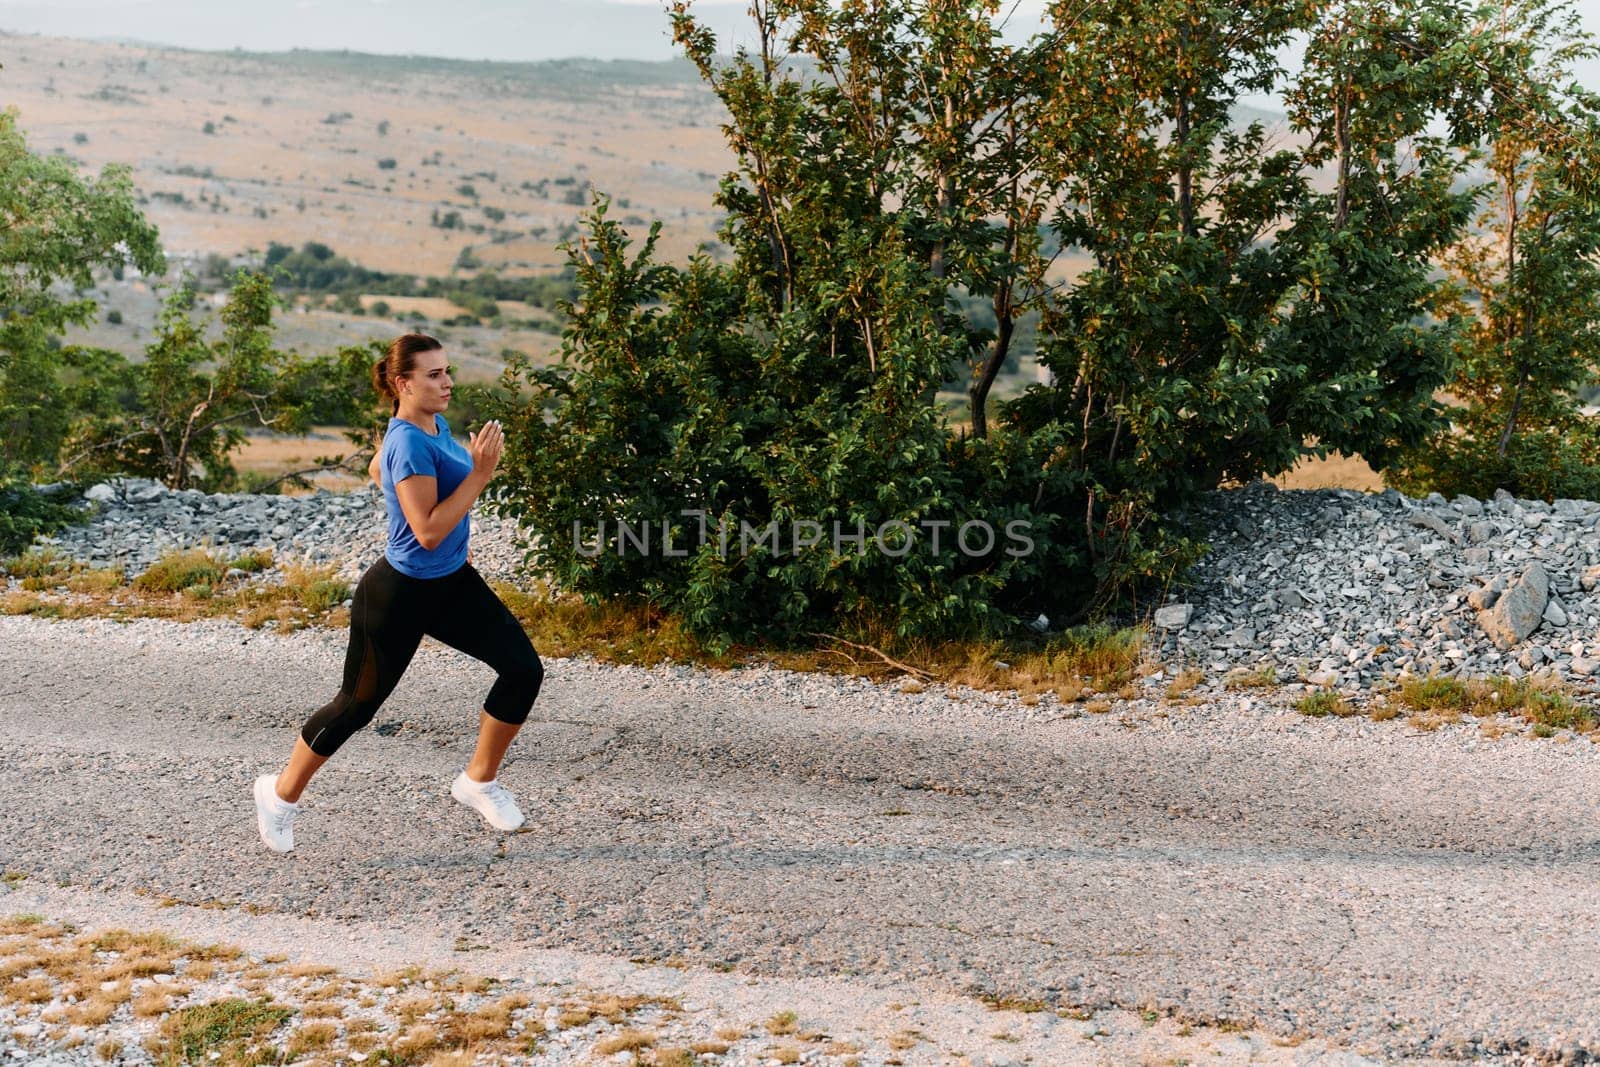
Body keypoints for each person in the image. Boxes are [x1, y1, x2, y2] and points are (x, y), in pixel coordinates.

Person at [253, 333, 544, 853]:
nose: (447, 381)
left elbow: (380, 469)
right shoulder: (407, 441)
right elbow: (428, 529)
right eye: (433, 375)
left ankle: (478, 781)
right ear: (402, 383)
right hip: (399, 595)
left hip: (452, 583)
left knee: (523, 670)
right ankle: (278, 795)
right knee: (355, 708)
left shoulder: (429, 425)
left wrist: (453, 523)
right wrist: (480, 474)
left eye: (447, 370)